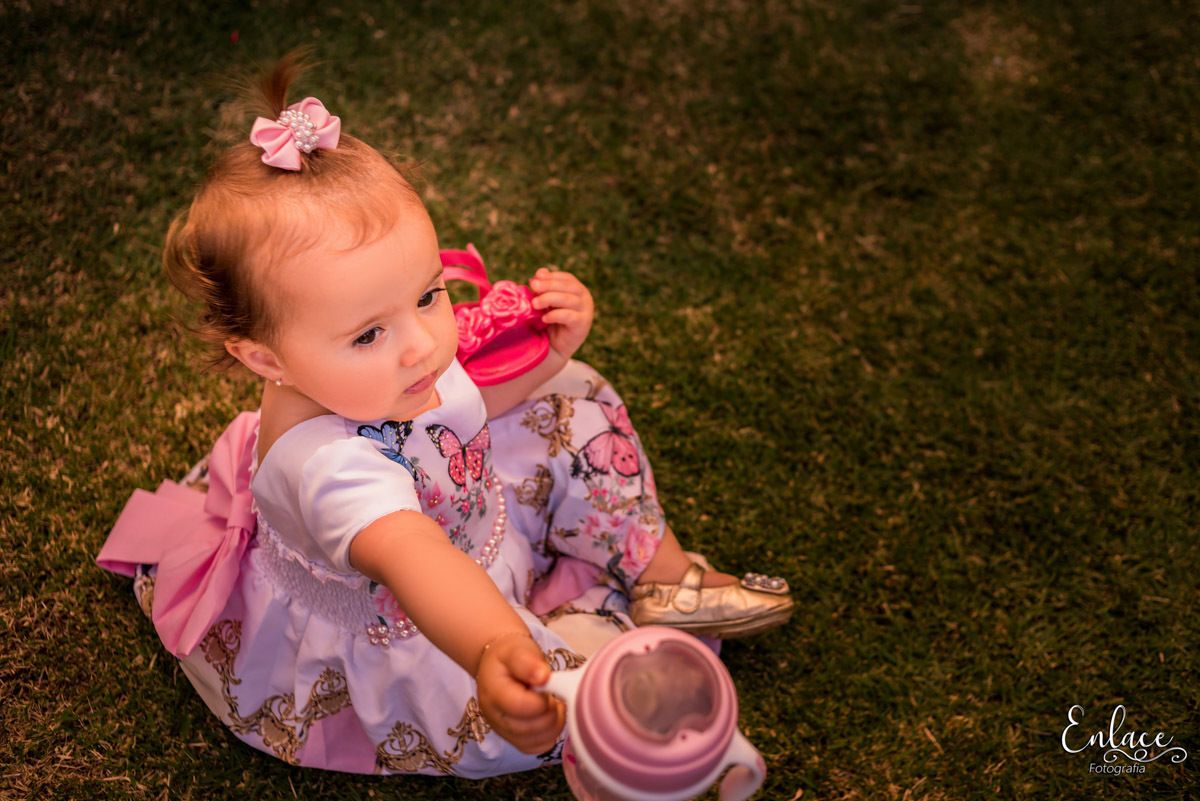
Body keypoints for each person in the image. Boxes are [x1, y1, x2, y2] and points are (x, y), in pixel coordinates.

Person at [96, 53, 793, 778]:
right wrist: (493, 646)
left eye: (429, 295)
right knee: (550, 698)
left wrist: (551, 360)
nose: (425, 343)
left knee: (573, 398)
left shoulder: (381, 375)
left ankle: (664, 573)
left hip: (464, 505)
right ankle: (555, 652)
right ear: (265, 358)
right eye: (369, 332)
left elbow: (455, 416)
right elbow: (415, 556)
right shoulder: (327, 469)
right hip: (427, 619)